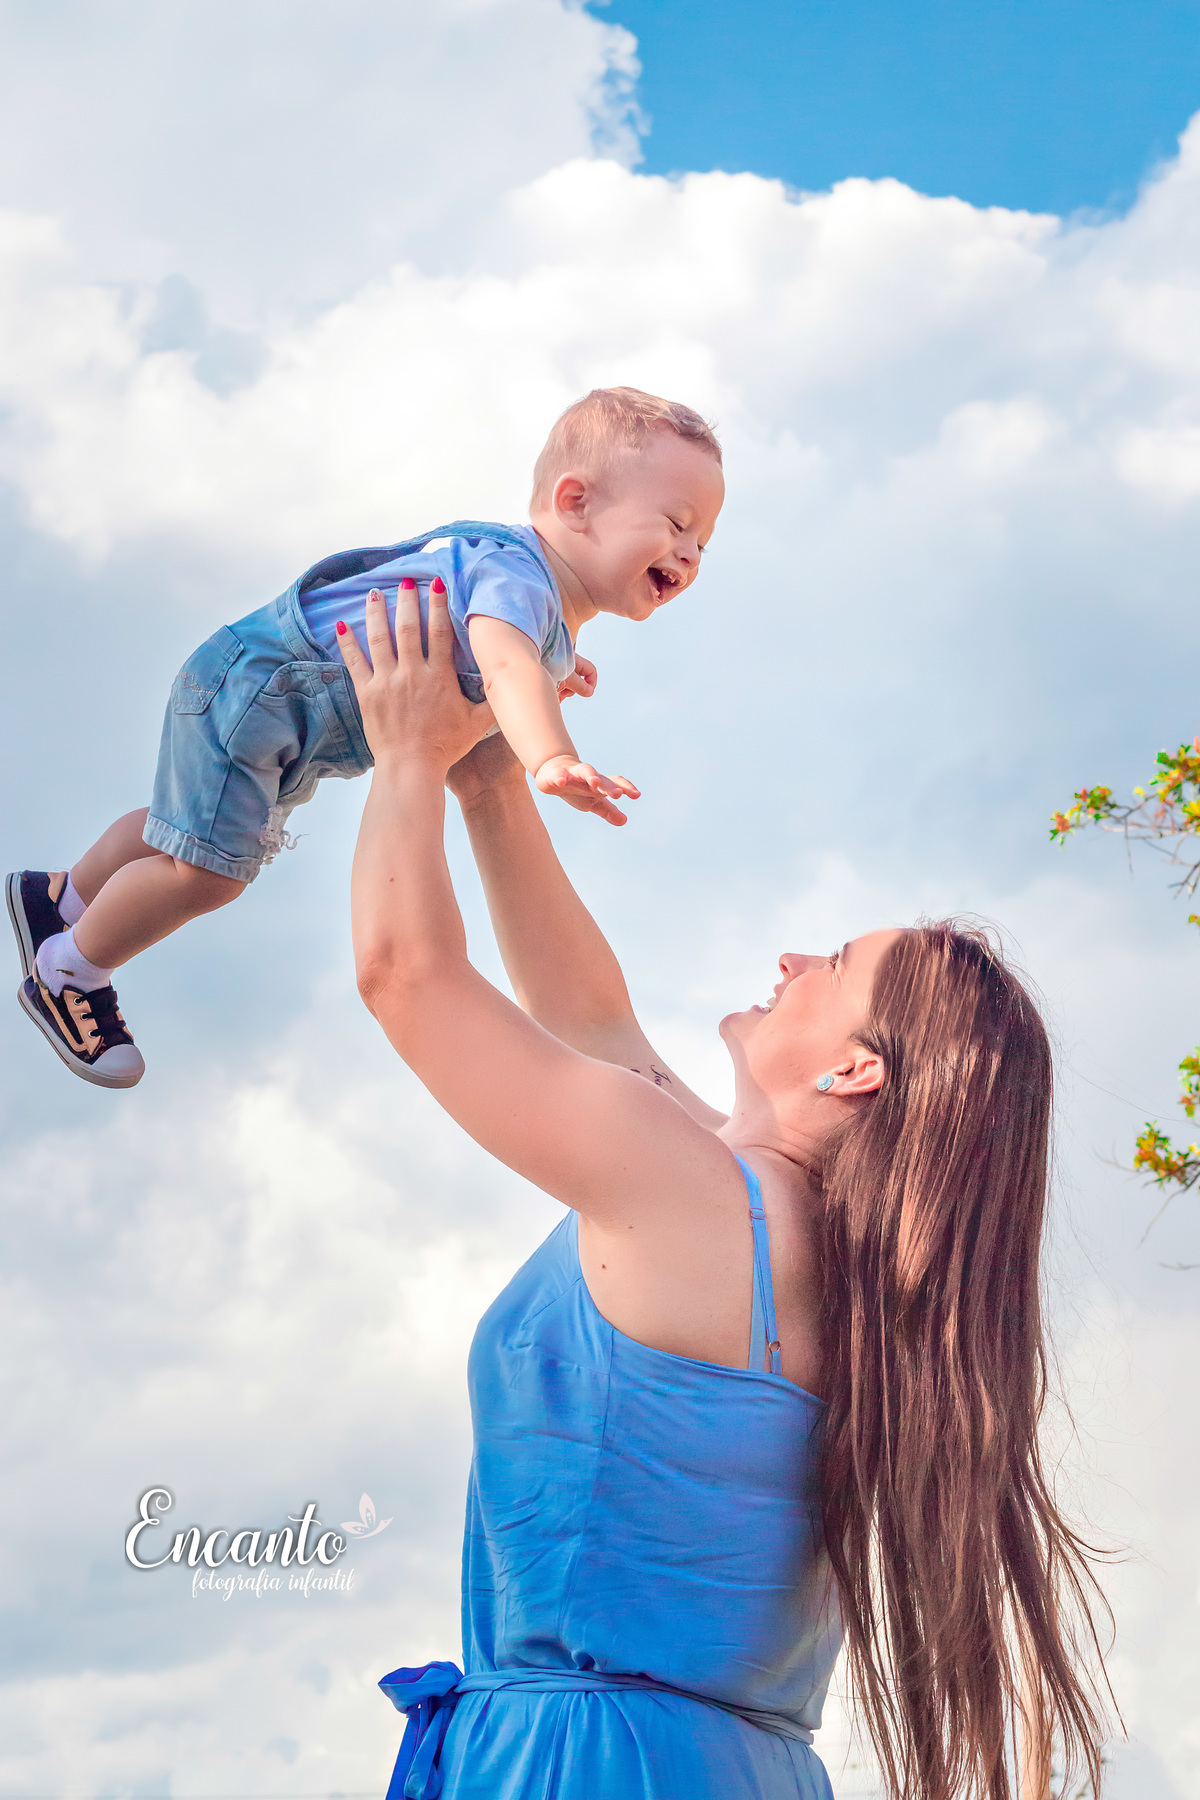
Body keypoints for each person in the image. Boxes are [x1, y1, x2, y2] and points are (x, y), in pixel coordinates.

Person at [340, 584, 1112, 1800]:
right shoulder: (817, 1254)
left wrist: (401, 751)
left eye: (837, 965)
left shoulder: (690, 1192)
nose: (797, 957)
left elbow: (405, 975)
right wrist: (485, 775)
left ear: (859, 1069)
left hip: (581, 1768)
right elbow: (591, 1018)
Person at [6, 386, 724, 1089]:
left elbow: (502, 655)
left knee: (183, 835)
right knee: (210, 873)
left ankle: (61, 898)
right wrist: (552, 755)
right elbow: (505, 662)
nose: (690, 553)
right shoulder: (522, 581)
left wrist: (547, 672)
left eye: (703, 540)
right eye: (676, 522)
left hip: (250, 684)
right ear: (576, 503)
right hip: (266, 690)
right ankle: (71, 972)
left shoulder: (515, 584)